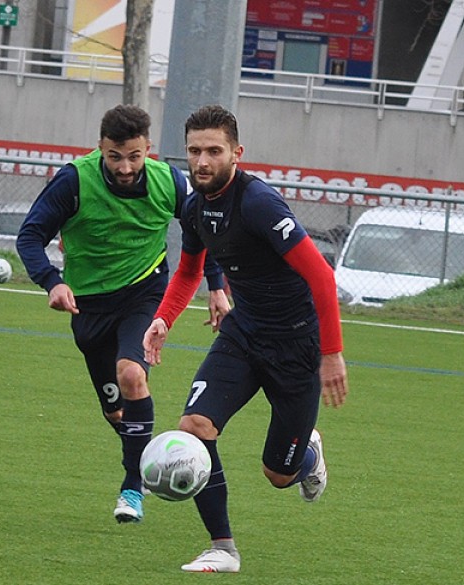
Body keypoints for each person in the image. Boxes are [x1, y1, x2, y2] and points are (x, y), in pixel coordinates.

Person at [143, 104, 349, 573]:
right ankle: (223, 547)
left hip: (296, 345)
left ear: (236, 153)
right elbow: (189, 272)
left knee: (278, 474)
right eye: (194, 151)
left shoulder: (258, 203)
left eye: (214, 151)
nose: (202, 161)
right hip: (243, 333)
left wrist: (331, 354)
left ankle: (307, 451)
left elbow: (321, 276)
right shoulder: (194, 207)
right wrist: (163, 319)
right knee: (194, 426)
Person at [17, 104, 231, 524]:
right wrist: (52, 281)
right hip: (88, 305)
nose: (125, 167)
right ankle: (152, 457)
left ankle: (133, 487)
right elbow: (30, 236)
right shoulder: (74, 181)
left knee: (131, 375)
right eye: (115, 157)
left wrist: (216, 285)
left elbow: (203, 228)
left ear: (148, 149)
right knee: (118, 412)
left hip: (145, 294)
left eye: (134, 156)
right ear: (100, 148)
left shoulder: (169, 182)